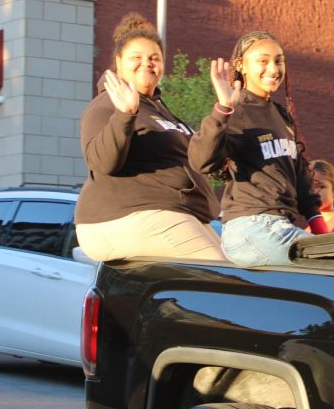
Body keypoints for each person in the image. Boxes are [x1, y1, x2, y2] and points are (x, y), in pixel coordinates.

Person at [74, 13, 225, 262]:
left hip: (176, 213)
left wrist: (223, 110)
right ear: (119, 62)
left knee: (235, 269)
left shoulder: (158, 109)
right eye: (137, 57)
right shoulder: (105, 105)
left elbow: (200, 159)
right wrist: (124, 115)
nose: (147, 63)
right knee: (221, 275)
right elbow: (102, 163)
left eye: (154, 58)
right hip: (121, 217)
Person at [188, 31, 326, 267]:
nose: (273, 69)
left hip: (280, 226)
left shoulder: (281, 115)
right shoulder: (236, 109)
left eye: (279, 60)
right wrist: (222, 109)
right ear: (241, 65)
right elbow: (201, 161)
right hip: (252, 229)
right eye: (263, 61)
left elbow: (299, 174)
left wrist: (318, 224)